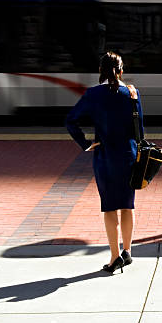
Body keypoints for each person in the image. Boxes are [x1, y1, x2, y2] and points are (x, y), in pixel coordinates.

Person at [66, 52, 143, 274]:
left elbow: (70, 121)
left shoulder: (92, 94)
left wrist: (85, 143)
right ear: (121, 70)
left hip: (105, 157)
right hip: (129, 155)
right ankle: (128, 252)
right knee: (128, 205)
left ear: (100, 71)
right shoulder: (131, 93)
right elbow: (140, 131)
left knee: (110, 207)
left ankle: (114, 257)